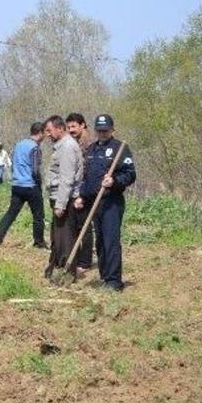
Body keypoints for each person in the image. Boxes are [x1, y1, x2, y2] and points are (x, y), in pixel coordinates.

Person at [74, 114, 136, 291]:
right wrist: (82, 196)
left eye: (105, 130)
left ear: (112, 130)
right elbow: (88, 179)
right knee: (100, 241)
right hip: (95, 203)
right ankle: (104, 276)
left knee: (111, 241)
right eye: (99, 130)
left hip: (112, 202)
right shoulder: (92, 150)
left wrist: (114, 181)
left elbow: (130, 174)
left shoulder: (120, 148)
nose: (102, 133)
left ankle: (114, 281)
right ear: (95, 130)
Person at [0, 122, 47, 248]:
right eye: (44, 133)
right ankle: (39, 242)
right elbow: (35, 170)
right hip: (31, 186)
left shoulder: (19, 144)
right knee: (38, 216)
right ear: (40, 133)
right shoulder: (35, 148)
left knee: (11, 213)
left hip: (17, 185)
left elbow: (13, 164)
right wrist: (39, 184)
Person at [43, 115, 83, 280]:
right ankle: (56, 266)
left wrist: (61, 204)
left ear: (60, 128)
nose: (47, 134)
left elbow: (67, 179)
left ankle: (67, 273)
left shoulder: (67, 147)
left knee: (65, 238)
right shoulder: (61, 146)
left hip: (65, 200)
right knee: (57, 237)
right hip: (60, 198)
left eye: (49, 130)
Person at [66, 112, 94, 271]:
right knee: (76, 225)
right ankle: (79, 256)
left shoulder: (89, 145)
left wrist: (82, 195)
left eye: (74, 126)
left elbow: (87, 171)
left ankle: (85, 261)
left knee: (85, 225)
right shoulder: (74, 142)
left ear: (83, 125)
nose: (71, 129)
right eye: (68, 127)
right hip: (75, 190)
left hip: (85, 190)